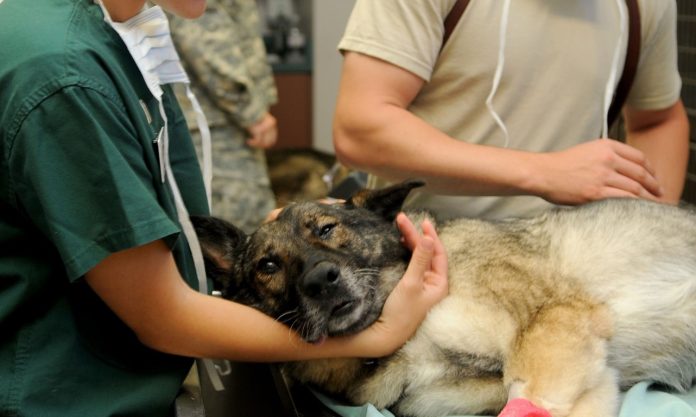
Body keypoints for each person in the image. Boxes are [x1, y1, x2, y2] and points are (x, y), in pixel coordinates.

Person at [0, 1, 448, 416]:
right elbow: (163, 316)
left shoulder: (114, 36)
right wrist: (382, 333)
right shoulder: (65, 77)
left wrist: (294, 237)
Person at [333, 0, 689, 222]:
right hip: (428, 256)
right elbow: (361, 129)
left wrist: (650, 229)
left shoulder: (646, 6)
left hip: (579, 260)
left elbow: (659, 119)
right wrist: (544, 172)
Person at [169, 0, 279, 234]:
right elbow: (203, 37)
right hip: (215, 126)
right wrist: (252, 114)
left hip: (218, 121)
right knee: (235, 236)